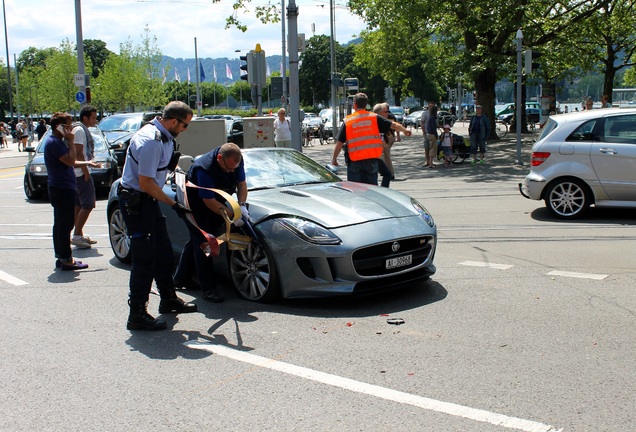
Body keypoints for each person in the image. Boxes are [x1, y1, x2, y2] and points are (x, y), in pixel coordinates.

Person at [118, 101, 197, 331]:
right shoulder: (152, 141)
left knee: (163, 251)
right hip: (138, 201)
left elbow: (158, 173)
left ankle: (168, 298)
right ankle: (137, 313)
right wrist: (173, 203)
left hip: (148, 200)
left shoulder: (165, 136)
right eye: (185, 125)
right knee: (144, 259)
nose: (185, 129)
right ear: (174, 121)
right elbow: (146, 182)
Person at [173, 143, 248, 303]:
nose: (231, 172)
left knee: (196, 241)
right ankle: (208, 289)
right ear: (220, 158)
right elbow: (208, 201)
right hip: (195, 205)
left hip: (216, 202)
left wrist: (241, 206)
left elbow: (242, 185)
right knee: (205, 243)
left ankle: (180, 278)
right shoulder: (204, 168)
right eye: (228, 169)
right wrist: (234, 215)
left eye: (234, 168)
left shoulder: (235, 160)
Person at [44, 112, 98, 271]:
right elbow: (69, 160)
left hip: (62, 187)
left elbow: (71, 161)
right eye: (67, 127)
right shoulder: (55, 143)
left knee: (61, 224)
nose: (70, 130)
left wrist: (87, 162)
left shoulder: (57, 142)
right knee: (65, 225)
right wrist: (72, 141)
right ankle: (66, 259)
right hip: (61, 188)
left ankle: (62, 257)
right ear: (58, 127)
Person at [331, 93, 411, 185]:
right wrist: (404, 130)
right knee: (371, 190)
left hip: (355, 161)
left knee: (356, 191)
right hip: (372, 160)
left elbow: (339, 142)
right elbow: (393, 125)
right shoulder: (374, 117)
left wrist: (334, 159)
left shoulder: (348, 121)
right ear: (366, 105)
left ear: (354, 105)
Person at [71, 105, 99, 249]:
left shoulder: (80, 129)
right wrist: (86, 172)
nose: (95, 120)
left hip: (77, 173)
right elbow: (79, 153)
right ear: (85, 118)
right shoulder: (80, 130)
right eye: (93, 117)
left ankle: (79, 234)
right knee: (88, 204)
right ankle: (76, 235)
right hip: (80, 173)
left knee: (78, 204)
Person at [373, 103, 395, 187]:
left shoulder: (388, 117)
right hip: (373, 152)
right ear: (380, 112)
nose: (387, 113)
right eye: (386, 112)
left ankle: (391, 173)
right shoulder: (375, 120)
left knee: (386, 155)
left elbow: (393, 127)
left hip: (387, 139)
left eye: (387, 111)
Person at [420, 101, 436, 168]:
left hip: (431, 132)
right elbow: (422, 122)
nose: (431, 108)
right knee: (427, 147)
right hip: (427, 132)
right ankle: (428, 162)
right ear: (428, 106)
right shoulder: (425, 113)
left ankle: (431, 162)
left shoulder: (435, 114)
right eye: (430, 106)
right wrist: (424, 131)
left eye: (432, 106)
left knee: (431, 147)